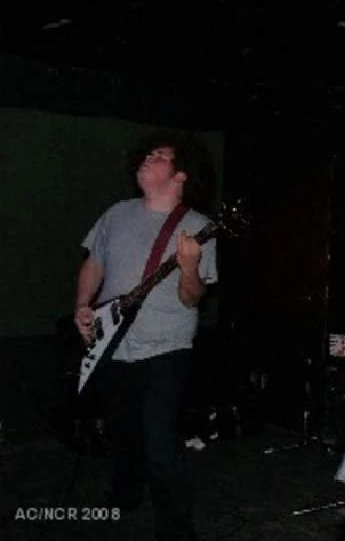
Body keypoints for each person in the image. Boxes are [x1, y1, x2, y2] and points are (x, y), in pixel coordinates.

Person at [73, 131, 217, 541]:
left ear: (180, 174)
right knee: (122, 432)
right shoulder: (116, 214)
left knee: (158, 439)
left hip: (166, 348)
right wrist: (83, 305)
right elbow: (93, 264)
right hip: (114, 344)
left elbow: (192, 300)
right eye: (146, 154)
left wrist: (189, 268)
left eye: (158, 156)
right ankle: (125, 496)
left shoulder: (197, 227)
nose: (145, 159)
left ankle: (176, 531)